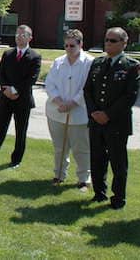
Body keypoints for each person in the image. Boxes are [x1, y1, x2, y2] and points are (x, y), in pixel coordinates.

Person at [83, 27, 140, 209]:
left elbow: (130, 96)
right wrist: (94, 112)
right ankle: (99, 193)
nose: (108, 43)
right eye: (107, 39)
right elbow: (88, 90)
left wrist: (107, 115)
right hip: (95, 121)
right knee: (97, 159)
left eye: (113, 40)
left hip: (117, 123)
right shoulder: (98, 62)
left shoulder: (132, 66)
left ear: (124, 43)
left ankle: (118, 198)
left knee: (118, 162)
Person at [0, 25, 41, 168]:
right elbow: (0, 74)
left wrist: (15, 90)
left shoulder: (35, 56)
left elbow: (32, 79)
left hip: (22, 100)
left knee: (20, 131)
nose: (18, 37)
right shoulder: (7, 54)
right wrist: (6, 89)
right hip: (5, 98)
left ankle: (16, 160)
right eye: (17, 35)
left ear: (30, 38)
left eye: (22, 35)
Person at [44, 29, 94, 190]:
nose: (68, 49)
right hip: (56, 112)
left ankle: (83, 178)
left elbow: (87, 87)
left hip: (79, 113)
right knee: (60, 147)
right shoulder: (58, 61)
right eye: (66, 45)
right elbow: (50, 84)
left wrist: (72, 104)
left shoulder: (89, 63)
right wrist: (59, 102)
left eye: (72, 45)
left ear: (81, 44)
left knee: (81, 149)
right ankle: (59, 174)